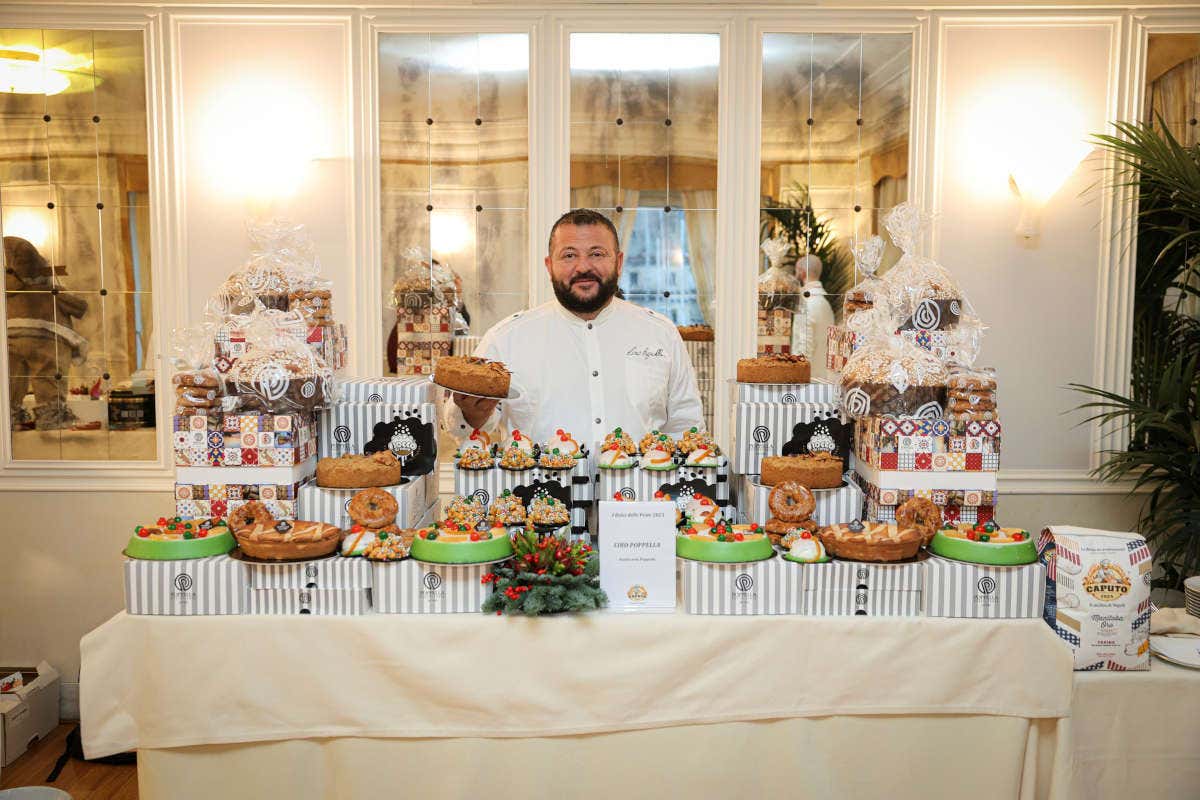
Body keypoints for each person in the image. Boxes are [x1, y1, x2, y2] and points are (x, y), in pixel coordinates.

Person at [451, 209, 704, 446]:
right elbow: (460, 428)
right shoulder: (506, 339)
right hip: (538, 481)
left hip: (641, 481)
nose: (583, 267)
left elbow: (687, 427)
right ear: (549, 266)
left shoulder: (661, 334)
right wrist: (472, 415)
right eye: (569, 255)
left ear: (619, 262)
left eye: (597, 254)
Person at [790, 252, 834, 381]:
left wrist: (796, 378)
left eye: (796, 271)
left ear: (802, 273)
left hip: (807, 380)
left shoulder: (806, 304)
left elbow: (803, 347)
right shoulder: (825, 304)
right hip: (823, 377)